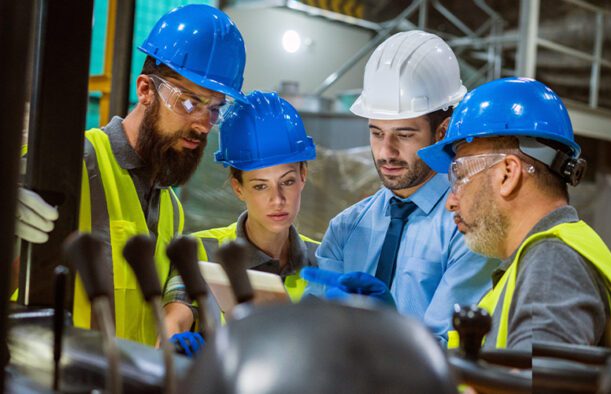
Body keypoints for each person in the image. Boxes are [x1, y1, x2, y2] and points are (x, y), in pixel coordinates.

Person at [13, 4, 247, 345]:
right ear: (145, 91)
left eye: (214, 109)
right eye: (188, 102)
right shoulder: (69, 164)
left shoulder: (170, 208)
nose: (203, 124)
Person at [308, 31, 497, 345]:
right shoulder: (345, 229)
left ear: (442, 132)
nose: (385, 152)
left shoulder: (469, 230)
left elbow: (452, 350)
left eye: (404, 135)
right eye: (377, 133)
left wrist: (389, 328)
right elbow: (316, 334)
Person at [417, 77, 611, 350]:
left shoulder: (552, 262)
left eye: (460, 175)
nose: (451, 202)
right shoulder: (538, 259)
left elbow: (544, 383)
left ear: (508, 174)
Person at [162, 91, 319, 353]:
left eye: (287, 181)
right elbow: (174, 320)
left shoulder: (324, 260)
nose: (277, 199)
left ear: (303, 175)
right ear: (238, 188)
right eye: (260, 187)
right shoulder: (200, 251)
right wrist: (172, 347)